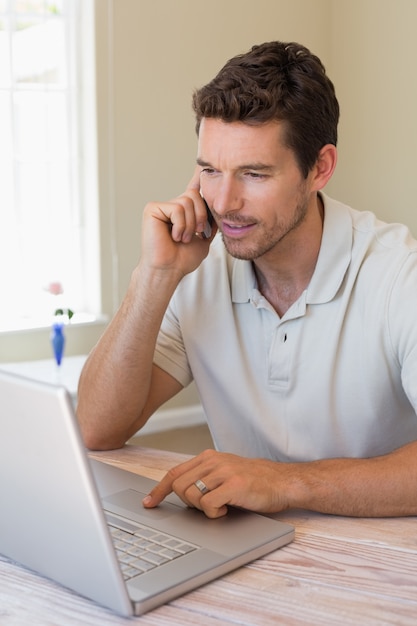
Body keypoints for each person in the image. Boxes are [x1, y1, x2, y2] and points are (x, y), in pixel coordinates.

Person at [77, 41, 417, 519]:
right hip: (244, 554)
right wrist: (154, 276)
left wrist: (286, 483)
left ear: (320, 168)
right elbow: (96, 429)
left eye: (254, 174)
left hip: (381, 565)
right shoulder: (198, 268)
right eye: (210, 171)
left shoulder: (399, 274)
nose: (224, 201)